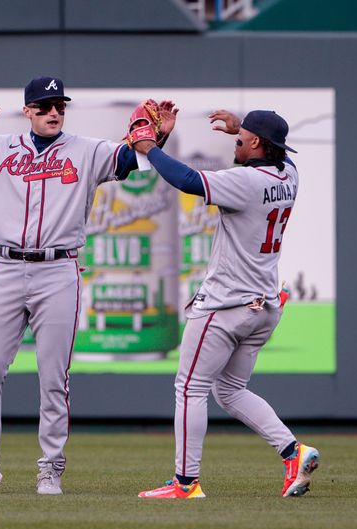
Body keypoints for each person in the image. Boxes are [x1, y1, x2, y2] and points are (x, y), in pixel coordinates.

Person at [0, 77, 173, 495]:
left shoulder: (87, 151)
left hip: (58, 272)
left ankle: (50, 469)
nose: (53, 112)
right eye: (43, 106)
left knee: (53, 376)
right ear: (27, 111)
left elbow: (130, 160)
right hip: (6, 269)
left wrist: (160, 136)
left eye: (59, 105)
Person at [133, 107, 320, 499]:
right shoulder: (290, 174)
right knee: (230, 390)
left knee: (190, 388)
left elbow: (187, 180)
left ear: (257, 143)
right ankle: (293, 451)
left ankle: (185, 483)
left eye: (242, 137)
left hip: (227, 305)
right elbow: (277, 153)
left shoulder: (247, 182)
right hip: (265, 306)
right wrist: (244, 130)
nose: (236, 140)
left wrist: (147, 145)